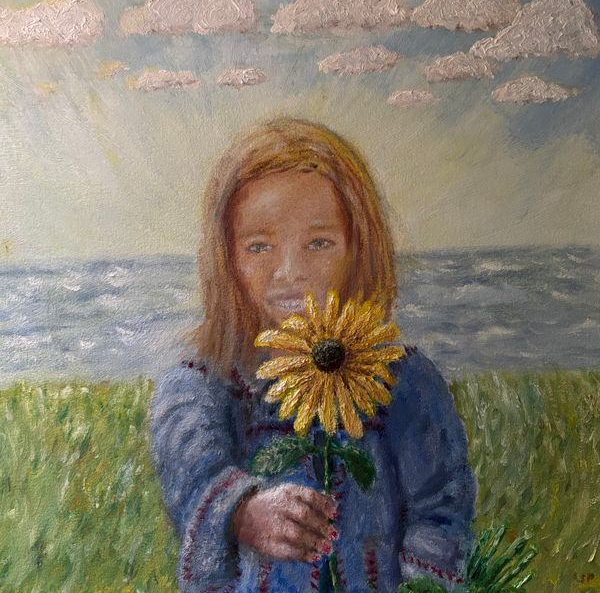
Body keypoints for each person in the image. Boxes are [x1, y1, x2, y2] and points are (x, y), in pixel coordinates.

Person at [150, 117, 477, 593]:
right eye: (259, 246)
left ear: (358, 249)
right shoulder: (205, 384)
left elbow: (441, 509)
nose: (290, 271)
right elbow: (192, 472)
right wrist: (243, 510)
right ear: (227, 259)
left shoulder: (402, 380)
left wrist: (423, 585)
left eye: (318, 243)